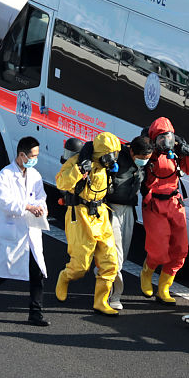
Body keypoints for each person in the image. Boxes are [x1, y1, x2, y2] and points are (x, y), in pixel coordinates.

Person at [0, 136, 51, 326]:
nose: (35, 159)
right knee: (2, 271)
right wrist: (27, 207)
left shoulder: (34, 175)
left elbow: (41, 196)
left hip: (30, 232)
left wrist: (41, 207)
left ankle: (35, 312)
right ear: (22, 155)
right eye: (33, 155)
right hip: (11, 232)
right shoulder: (5, 176)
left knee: (37, 271)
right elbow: (4, 202)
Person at [54, 131, 122, 316]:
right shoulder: (78, 162)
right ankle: (65, 276)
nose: (113, 159)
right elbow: (61, 182)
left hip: (100, 214)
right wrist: (79, 170)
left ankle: (101, 301)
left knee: (110, 262)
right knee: (81, 265)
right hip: (80, 215)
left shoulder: (104, 167)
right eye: (111, 155)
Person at [139, 118, 189, 305]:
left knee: (180, 250)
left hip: (175, 202)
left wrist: (188, 152)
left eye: (168, 137)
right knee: (158, 250)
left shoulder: (177, 150)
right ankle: (146, 272)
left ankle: (164, 288)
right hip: (154, 203)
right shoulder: (148, 152)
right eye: (160, 139)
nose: (165, 142)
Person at [103, 134, 154, 310]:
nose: (144, 162)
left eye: (146, 159)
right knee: (115, 255)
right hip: (111, 209)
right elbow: (89, 147)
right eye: (141, 159)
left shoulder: (145, 161)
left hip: (129, 210)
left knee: (122, 253)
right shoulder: (117, 155)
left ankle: (103, 276)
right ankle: (114, 295)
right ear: (132, 151)